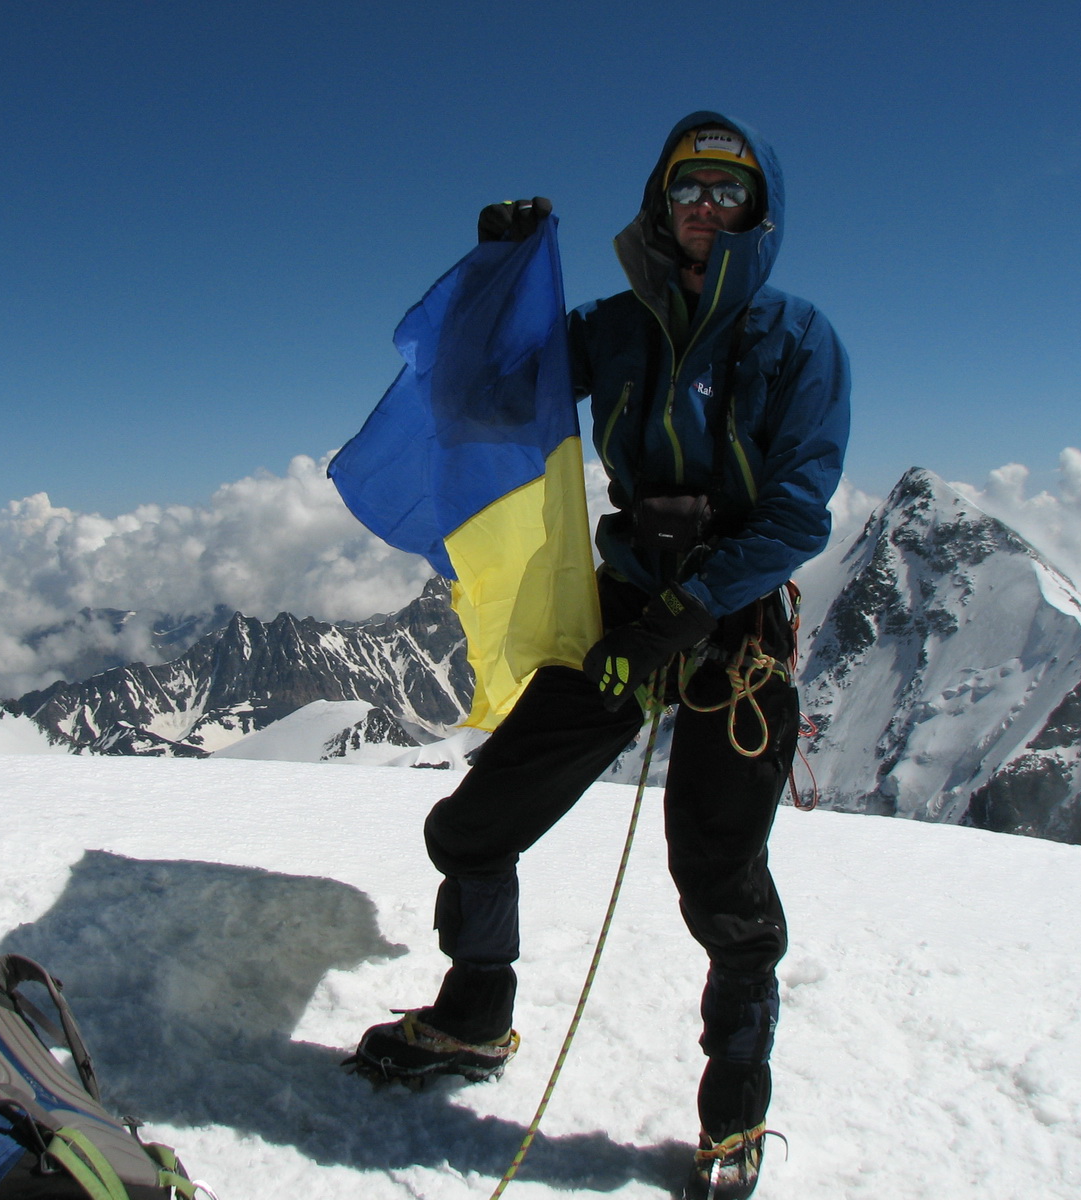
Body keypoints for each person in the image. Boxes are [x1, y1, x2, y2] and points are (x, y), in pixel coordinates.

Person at [349, 111, 850, 1200]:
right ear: (659, 206)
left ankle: (734, 1119)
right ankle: (474, 1018)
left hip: (728, 633)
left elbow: (796, 515)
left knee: (719, 884)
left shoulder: (796, 338)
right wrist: (498, 273)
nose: (706, 207)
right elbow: (485, 398)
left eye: (727, 190)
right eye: (688, 189)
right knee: (472, 827)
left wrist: (684, 616)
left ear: (756, 211)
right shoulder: (616, 328)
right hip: (621, 616)